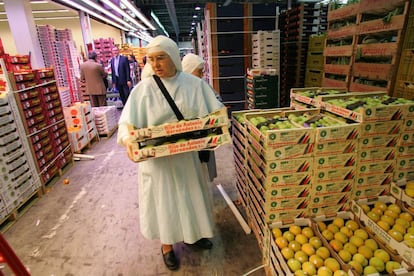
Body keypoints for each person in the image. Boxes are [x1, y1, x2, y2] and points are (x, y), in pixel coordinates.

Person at [117, 35, 224, 271]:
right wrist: (128, 142)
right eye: (151, 59)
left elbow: (216, 112)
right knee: (163, 203)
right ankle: (166, 246)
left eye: (161, 58)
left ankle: (193, 236)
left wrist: (216, 128)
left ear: (174, 57)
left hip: (186, 157)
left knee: (189, 197)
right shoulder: (142, 90)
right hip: (158, 163)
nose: (155, 64)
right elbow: (126, 124)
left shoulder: (194, 85)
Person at [182, 53, 219, 182]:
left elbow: (218, 101)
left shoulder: (202, 85)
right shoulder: (178, 89)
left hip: (202, 134)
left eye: (202, 72)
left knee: (203, 166)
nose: (202, 75)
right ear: (189, 70)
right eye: (199, 72)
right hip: (186, 139)